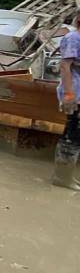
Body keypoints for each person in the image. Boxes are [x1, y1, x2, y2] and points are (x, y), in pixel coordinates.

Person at [53, 10, 80, 190]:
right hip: (75, 90)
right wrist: (69, 95)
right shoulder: (73, 38)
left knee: (76, 132)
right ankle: (62, 177)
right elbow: (65, 66)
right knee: (73, 132)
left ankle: (66, 175)